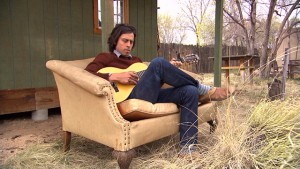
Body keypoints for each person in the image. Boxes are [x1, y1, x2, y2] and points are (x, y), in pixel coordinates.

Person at [85, 24, 232, 155]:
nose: (129, 45)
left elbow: (151, 83)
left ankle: (188, 150)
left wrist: (168, 70)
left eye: (131, 42)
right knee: (159, 63)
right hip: (128, 97)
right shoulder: (105, 57)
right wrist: (114, 76)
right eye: (125, 40)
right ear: (115, 40)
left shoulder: (136, 61)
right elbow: (86, 74)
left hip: (147, 94)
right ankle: (205, 89)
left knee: (189, 91)